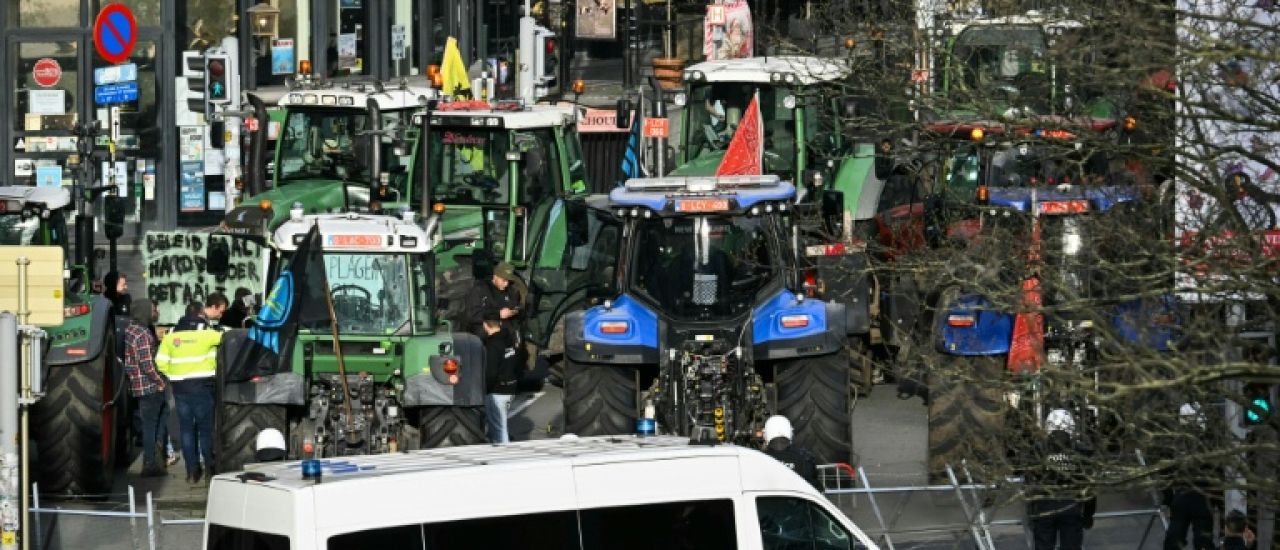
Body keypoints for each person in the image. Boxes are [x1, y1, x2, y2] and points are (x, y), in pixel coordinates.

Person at [157, 294, 227, 483]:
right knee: (205, 431)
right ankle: (210, 470)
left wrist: (174, 375)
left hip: (180, 389)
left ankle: (191, 471)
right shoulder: (207, 333)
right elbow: (227, 339)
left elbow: (160, 362)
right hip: (203, 387)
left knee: (187, 430)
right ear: (200, 314)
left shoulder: (171, 335)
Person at [1024, 409, 1093, 550]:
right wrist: (1088, 514)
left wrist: (1031, 512)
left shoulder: (1037, 451)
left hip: (1044, 506)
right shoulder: (1081, 451)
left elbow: (1029, 484)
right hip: (1072, 506)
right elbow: (1090, 486)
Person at [122, 299, 168, 477]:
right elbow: (147, 364)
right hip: (150, 387)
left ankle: (154, 461)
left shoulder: (131, 330)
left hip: (139, 386)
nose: (156, 312)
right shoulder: (142, 334)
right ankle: (151, 464)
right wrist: (160, 382)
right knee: (153, 426)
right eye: (153, 309)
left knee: (151, 424)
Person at [1163, 402, 1215, 550]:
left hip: (1184, 495)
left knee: (1175, 539)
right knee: (1202, 541)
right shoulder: (1207, 442)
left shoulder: (1177, 442)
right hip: (1200, 496)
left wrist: (1168, 499)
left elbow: (1167, 470)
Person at [481, 320, 522, 443]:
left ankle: (505, 457)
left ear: (485, 325)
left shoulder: (493, 345)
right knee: (498, 428)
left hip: (497, 392)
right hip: (510, 389)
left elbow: (491, 373)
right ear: (499, 323)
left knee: (499, 431)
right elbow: (517, 364)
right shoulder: (509, 341)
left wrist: (485, 389)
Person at [462, 261, 523, 339]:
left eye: (508, 281)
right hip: (484, 330)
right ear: (495, 276)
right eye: (504, 280)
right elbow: (473, 314)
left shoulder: (511, 291)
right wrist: (498, 314)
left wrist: (514, 311)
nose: (506, 284)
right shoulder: (480, 289)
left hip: (506, 329)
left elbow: (518, 308)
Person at [761, 415, 820, 489]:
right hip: (797, 499)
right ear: (791, 433)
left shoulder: (758, 459)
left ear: (765, 435)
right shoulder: (805, 458)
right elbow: (815, 487)